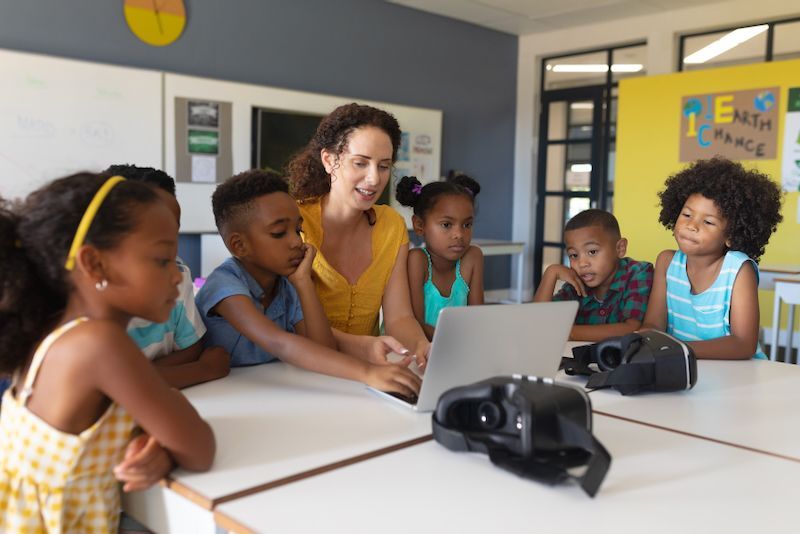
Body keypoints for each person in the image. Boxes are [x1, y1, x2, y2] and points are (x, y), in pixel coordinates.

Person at [0, 173, 215, 532]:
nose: (178, 276)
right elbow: (199, 448)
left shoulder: (53, 331)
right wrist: (168, 443)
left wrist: (154, 447)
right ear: (95, 264)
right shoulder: (100, 344)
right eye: (163, 260)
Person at [195, 170, 421, 397]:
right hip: (221, 395)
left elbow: (323, 346)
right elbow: (279, 343)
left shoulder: (286, 285)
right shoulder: (225, 286)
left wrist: (303, 283)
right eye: (278, 233)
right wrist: (368, 373)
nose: (296, 242)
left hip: (271, 392)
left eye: (298, 230)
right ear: (239, 246)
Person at [287, 103, 431, 367]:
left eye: (384, 166)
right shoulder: (295, 223)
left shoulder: (391, 226)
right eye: (360, 163)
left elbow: (398, 318)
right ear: (329, 160)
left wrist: (420, 345)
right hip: (301, 368)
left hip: (370, 369)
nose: (374, 179)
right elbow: (291, 323)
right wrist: (363, 347)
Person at [641, 157, 783, 359]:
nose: (692, 225)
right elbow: (653, 325)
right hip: (682, 368)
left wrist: (677, 349)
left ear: (731, 236)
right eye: (687, 214)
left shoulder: (738, 270)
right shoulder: (667, 262)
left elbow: (743, 344)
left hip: (739, 376)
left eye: (708, 221)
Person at [105, 164, 229, 389]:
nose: (172, 255)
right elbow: (116, 383)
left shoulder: (177, 273)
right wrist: (204, 369)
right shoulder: (83, 318)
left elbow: (192, 348)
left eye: (173, 231)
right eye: (154, 235)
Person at [533, 209, 653, 342]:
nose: (582, 263)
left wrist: (568, 332)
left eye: (592, 252)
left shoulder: (638, 272)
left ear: (620, 248)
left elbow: (632, 329)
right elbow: (538, 323)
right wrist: (551, 272)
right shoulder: (577, 283)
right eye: (574, 255)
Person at [395, 174, 484, 340]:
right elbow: (414, 324)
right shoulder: (417, 260)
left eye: (467, 225)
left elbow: (477, 318)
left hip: (455, 351)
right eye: (446, 225)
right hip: (413, 349)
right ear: (419, 226)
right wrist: (456, 341)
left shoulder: (473, 257)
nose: (459, 234)